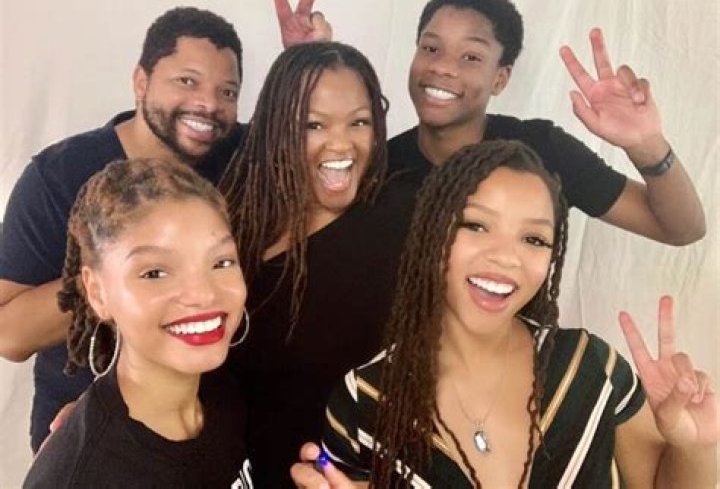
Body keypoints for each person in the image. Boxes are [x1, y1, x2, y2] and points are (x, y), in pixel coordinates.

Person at [0, 0, 329, 452]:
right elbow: (9, 336)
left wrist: (305, 66)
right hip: (91, 432)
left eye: (227, 91)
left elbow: (319, 148)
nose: (208, 104)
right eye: (187, 81)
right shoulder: (60, 176)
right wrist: (123, 274)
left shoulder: (240, 154)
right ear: (141, 81)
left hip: (209, 425)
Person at [292, 140, 718, 488]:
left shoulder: (591, 367)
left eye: (533, 239)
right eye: (476, 226)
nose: (505, 257)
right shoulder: (366, 398)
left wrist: (696, 447)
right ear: (431, 232)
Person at [220, 40, 420, 487]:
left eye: (359, 122)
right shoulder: (234, 223)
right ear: (277, 129)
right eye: (313, 124)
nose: (341, 143)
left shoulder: (406, 214)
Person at [388, 0, 705, 246]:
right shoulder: (381, 167)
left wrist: (647, 145)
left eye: (471, 57)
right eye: (431, 48)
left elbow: (682, 230)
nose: (442, 66)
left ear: (500, 79)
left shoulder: (540, 150)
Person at [22, 158, 251, 487]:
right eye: (155, 273)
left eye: (222, 262)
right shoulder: (84, 476)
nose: (203, 294)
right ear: (98, 292)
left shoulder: (224, 396)